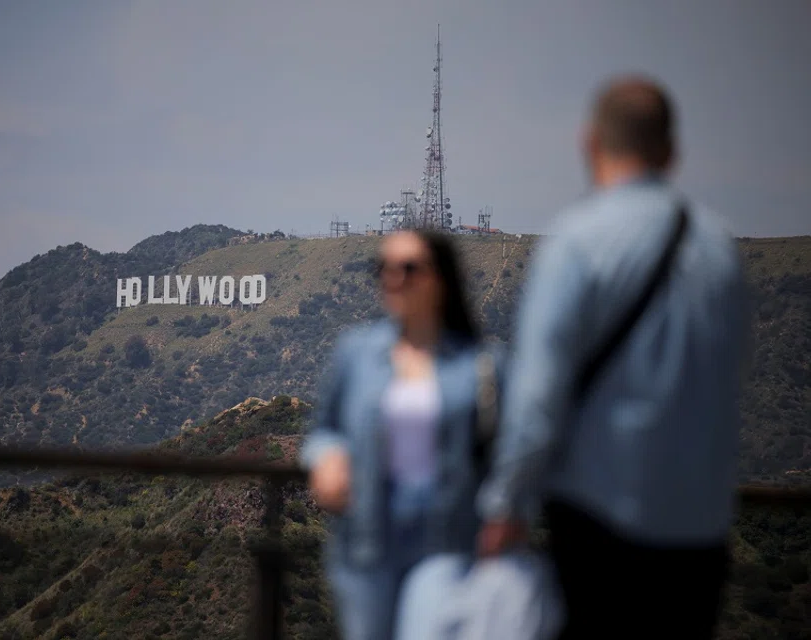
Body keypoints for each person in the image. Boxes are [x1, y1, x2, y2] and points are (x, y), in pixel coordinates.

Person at [475, 75, 750, 638]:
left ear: (590, 144)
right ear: (672, 151)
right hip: (701, 528)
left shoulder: (576, 241)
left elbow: (539, 396)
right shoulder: (721, 248)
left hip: (599, 524)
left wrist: (506, 503)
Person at [300, 229, 504, 640]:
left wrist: (506, 511)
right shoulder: (356, 353)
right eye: (384, 268)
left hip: (447, 541)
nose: (395, 279)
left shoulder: (482, 364)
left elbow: (511, 450)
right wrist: (326, 456)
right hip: (367, 544)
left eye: (410, 268)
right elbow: (323, 429)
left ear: (441, 277)